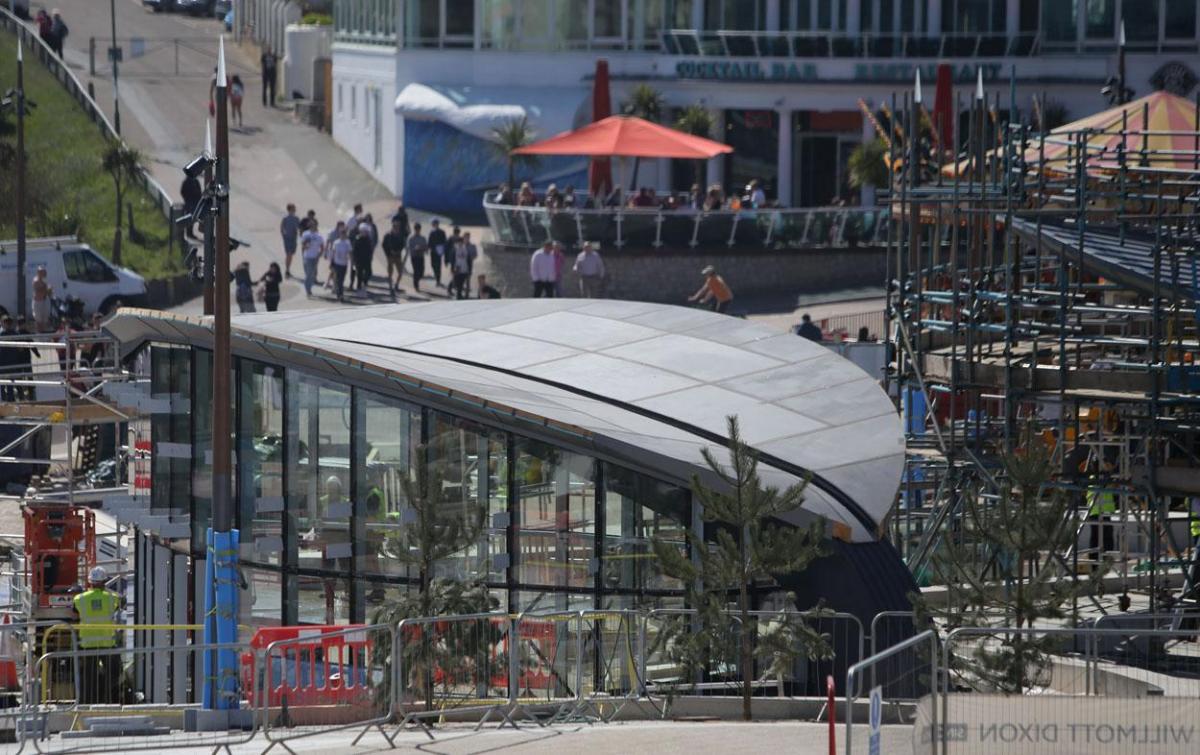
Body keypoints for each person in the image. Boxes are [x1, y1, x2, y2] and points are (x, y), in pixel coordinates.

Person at [73, 566, 122, 705]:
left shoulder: (80, 598)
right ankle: (110, 702)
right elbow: (118, 606)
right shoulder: (112, 598)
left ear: (89, 581)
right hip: (108, 644)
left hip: (88, 645)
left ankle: (88, 703)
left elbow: (74, 614)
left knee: (88, 677)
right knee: (113, 674)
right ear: (104, 582)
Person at [381, 218, 408, 296]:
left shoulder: (401, 235)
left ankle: (396, 285)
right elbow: (384, 245)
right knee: (390, 272)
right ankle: (390, 287)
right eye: (395, 227)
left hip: (398, 256)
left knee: (400, 271)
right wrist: (388, 253)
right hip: (390, 256)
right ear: (393, 227)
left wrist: (399, 250)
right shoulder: (388, 235)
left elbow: (403, 245)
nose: (397, 228)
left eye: (398, 227)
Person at [351, 213, 376, 291]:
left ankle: (364, 282)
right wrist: (354, 260)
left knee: (369, 272)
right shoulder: (357, 239)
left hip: (366, 259)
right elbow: (355, 250)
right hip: (359, 259)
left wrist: (371, 255)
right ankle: (358, 286)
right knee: (359, 273)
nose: (365, 232)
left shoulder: (368, 240)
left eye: (366, 231)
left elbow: (370, 249)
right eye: (364, 231)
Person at [328, 222, 352, 302]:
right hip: (337, 263)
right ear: (340, 234)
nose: (343, 235)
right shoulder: (336, 242)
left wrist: (351, 261)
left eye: (344, 233)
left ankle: (339, 293)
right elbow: (333, 252)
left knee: (342, 279)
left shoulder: (347, 243)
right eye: (342, 233)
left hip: (344, 264)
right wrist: (332, 262)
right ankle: (340, 295)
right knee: (339, 280)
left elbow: (350, 252)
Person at [299, 220, 324, 298]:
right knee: (308, 274)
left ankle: (309, 288)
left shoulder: (319, 236)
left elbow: (322, 246)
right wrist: (304, 251)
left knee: (312, 275)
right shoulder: (306, 234)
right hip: (308, 257)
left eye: (314, 225)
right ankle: (308, 290)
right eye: (312, 225)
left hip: (315, 257)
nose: (313, 226)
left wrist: (319, 255)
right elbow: (303, 245)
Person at [449, 233, 476, 300]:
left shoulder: (466, 249)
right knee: (457, 282)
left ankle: (459, 294)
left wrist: (469, 269)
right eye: (459, 242)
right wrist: (452, 269)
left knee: (461, 282)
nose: (460, 243)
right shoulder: (455, 249)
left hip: (464, 269)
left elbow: (469, 260)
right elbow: (452, 260)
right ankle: (458, 294)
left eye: (461, 242)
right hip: (457, 269)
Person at [278, 204, 300, 278]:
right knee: (289, 254)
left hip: (294, 238)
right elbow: (281, 228)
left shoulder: (296, 218)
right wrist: (284, 236)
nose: (295, 209)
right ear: (290, 209)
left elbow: (299, 227)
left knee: (291, 255)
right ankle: (287, 270)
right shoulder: (285, 218)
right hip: (288, 239)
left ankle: (288, 269)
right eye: (294, 208)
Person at [406, 222, 428, 292]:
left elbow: (426, 247)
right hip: (414, 256)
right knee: (416, 271)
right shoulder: (411, 238)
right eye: (416, 229)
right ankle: (416, 285)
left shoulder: (423, 238)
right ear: (414, 229)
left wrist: (422, 248)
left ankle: (417, 279)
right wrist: (415, 249)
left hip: (421, 256)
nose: (417, 230)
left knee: (421, 271)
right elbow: (409, 247)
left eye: (418, 229)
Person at [181, 173, 203, 240]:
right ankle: (189, 233)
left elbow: (199, 192)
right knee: (189, 218)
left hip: (196, 203)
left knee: (194, 218)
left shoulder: (196, 181)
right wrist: (187, 199)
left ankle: (190, 233)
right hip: (189, 203)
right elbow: (182, 192)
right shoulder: (186, 182)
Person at [427, 219, 447, 288]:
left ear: (437, 224)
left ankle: (438, 280)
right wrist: (428, 249)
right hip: (433, 251)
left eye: (435, 223)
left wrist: (443, 250)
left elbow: (444, 241)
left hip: (439, 251)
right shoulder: (431, 232)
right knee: (433, 265)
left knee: (438, 266)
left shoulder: (442, 232)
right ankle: (437, 277)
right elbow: (429, 242)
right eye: (433, 224)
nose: (434, 225)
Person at [32, 266, 51, 331]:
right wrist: (46, 288)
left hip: (44, 301)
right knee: (38, 320)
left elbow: (47, 291)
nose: (43, 273)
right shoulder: (36, 280)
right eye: (41, 272)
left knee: (45, 319)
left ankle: (44, 333)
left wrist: (48, 290)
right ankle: (39, 334)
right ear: (38, 273)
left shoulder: (45, 280)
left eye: (44, 272)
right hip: (38, 302)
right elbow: (38, 290)